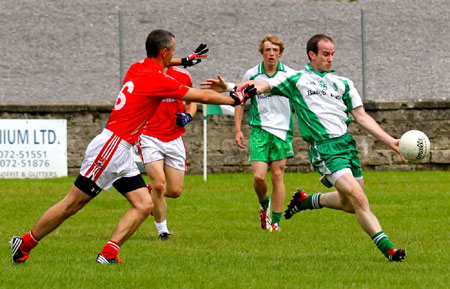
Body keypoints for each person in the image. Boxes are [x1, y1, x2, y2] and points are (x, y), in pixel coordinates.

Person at [9, 29, 256, 264]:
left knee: (144, 204)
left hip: (121, 149)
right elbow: (199, 96)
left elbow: (163, 62)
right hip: (111, 147)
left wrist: (186, 60)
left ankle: (109, 253)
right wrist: (234, 98)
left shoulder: (137, 67)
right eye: (172, 53)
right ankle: (25, 244)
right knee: (72, 204)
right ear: (163, 53)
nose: (173, 58)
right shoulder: (158, 80)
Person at [202, 34, 407, 262]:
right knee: (359, 199)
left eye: (332, 54)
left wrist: (390, 140)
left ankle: (306, 201)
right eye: (325, 54)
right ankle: (389, 250)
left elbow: (361, 116)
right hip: (324, 148)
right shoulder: (296, 79)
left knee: (351, 204)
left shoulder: (344, 83)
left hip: (347, 145)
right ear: (312, 55)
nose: (330, 59)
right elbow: (260, 85)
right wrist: (230, 86)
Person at [234, 34, 295, 232]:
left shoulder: (290, 75)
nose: (271, 54)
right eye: (268, 50)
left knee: (278, 175)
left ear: (280, 53)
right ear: (262, 52)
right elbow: (239, 102)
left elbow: (301, 103)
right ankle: (264, 204)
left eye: (275, 50)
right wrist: (237, 129)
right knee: (259, 177)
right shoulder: (251, 74)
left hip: (282, 131)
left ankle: (275, 221)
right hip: (259, 130)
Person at [136, 65, 197, 241]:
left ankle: (147, 193)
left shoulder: (182, 75)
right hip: (149, 136)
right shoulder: (145, 73)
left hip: (174, 137)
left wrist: (189, 116)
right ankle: (163, 230)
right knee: (159, 185)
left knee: (175, 191)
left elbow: (191, 102)